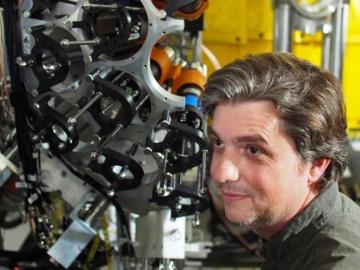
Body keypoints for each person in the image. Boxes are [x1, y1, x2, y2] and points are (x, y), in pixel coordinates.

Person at [201, 52, 360, 269]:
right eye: (219, 143)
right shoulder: (291, 241)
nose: (221, 172)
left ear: (316, 165)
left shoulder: (337, 262)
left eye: (253, 150)